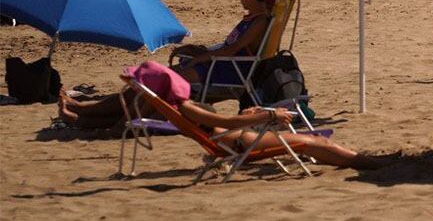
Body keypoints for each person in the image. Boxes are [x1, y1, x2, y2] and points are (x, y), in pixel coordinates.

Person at [55, 60, 384, 169]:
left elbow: (224, 120)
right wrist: (267, 116)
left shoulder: (178, 108)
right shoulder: (186, 108)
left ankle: (364, 160)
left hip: (231, 139)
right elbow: (225, 123)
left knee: (307, 141)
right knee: (309, 141)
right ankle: (365, 162)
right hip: (234, 142)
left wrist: (257, 112)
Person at [169, 0, 274, 85]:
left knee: (168, 79)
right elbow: (228, 48)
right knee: (167, 74)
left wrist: (199, 58)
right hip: (222, 64)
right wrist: (196, 50)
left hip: (229, 71)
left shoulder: (259, 22)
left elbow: (230, 50)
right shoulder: (253, 18)